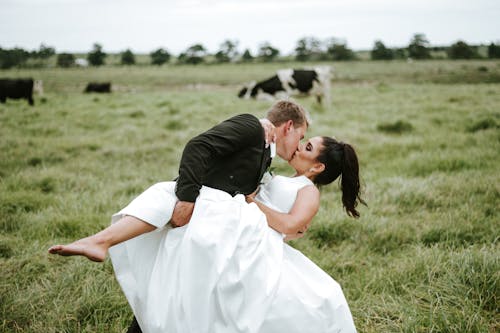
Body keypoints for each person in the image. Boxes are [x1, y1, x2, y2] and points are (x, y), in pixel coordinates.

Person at [49, 134, 363, 332]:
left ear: (318, 167)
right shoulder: (284, 176)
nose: (299, 146)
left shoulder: (308, 190)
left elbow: (293, 228)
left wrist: (252, 202)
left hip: (254, 239)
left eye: (307, 146)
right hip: (237, 225)